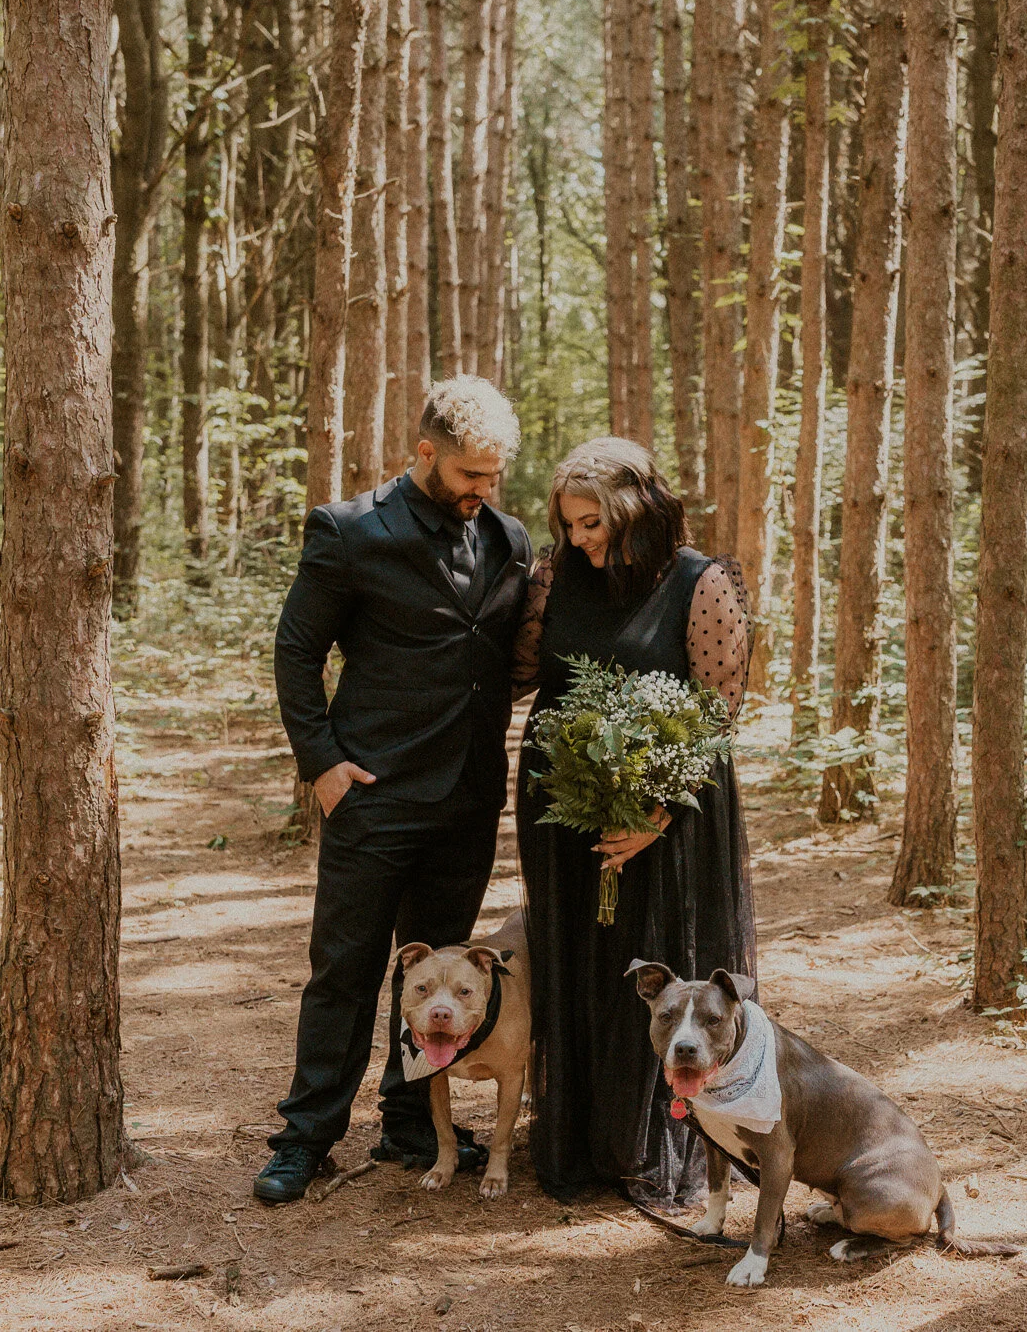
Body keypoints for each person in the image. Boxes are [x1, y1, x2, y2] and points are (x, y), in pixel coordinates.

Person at [256, 377, 533, 1203]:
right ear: (426, 454)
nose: (484, 491)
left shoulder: (511, 540)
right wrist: (324, 766)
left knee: (441, 976)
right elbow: (295, 652)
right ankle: (305, 1138)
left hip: (468, 800)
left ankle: (411, 1125)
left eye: (494, 476)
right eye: (470, 475)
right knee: (344, 969)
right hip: (372, 795)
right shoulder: (349, 533)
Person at [512, 436, 756, 1205]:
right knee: (579, 963)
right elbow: (519, 669)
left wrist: (653, 815)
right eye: (569, 524)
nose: (578, 539)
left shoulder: (701, 582)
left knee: (657, 964)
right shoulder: (553, 578)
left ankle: (660, 1143)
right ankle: (585, 1141)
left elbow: (715, 716)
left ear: (634, 510)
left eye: (592, 524)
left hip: (670, 816)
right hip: (566, 809)